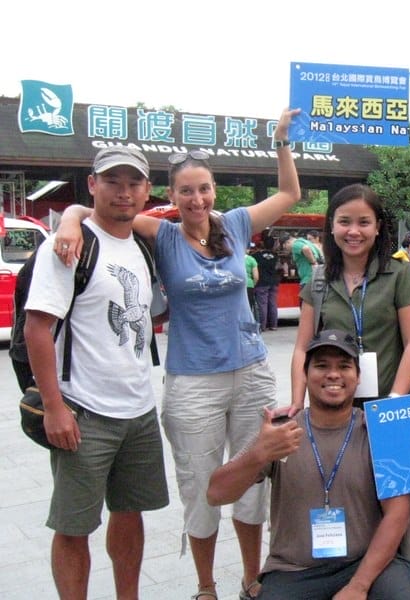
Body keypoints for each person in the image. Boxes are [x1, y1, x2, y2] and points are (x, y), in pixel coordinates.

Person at [55, 108, 302, 600]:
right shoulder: (163, 233)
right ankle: (205, 585)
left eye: (204, 188)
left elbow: (290, 194)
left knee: (254, 477)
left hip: (252, 370)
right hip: (193, 382)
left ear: (215, 191)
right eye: (186, 190)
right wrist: (67, 219)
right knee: (201, 485)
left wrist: (280, 142)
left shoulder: (234, 224)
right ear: (171, 195)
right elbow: (99, 211)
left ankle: (253, 579)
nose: (197, 198)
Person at [24, 146, 169, 599]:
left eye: (133, 183)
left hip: (139, 409)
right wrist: (54, 408)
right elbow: (37, 328)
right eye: (112, 182)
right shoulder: (68, 245)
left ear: (146, 190)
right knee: (74, 526)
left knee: (130, 515)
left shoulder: (142, 245)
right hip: (84, 411)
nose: (123, 193)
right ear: (93, 184)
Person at [207, 329, 410, 600]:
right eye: (321, 366)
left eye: (344, 366)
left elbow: (398, 515)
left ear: (358, 377)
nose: (333, 375)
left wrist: (359, 586)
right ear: (305, 374)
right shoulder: (281, 433)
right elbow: (215, 495)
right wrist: (258, 453)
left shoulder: (376, 432)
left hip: (368, 562)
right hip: (294, 569)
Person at [289, 183, 410, 569]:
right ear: (331, 227)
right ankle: (343, 577)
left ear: (379, 227)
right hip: (336, 413)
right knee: (340, 495)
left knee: (404, 504)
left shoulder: (400, 274)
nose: (354, 231)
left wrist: (396, 401)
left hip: (390, 409)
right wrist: (297, 403)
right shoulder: (318, 279)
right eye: (345, 221)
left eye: (364, 222)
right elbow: (302, 346)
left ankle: (409, 581)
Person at [252, 233, 281, 331]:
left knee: (262, 304)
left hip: (262, 282)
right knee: (273, 303)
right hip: (274, 281)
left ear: (262, 243)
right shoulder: (276, 255)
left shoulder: (256, 255)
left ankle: (262, 326)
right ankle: (273, 325)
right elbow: (279, 268)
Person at [245, 244, 259, 318]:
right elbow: (256, 277)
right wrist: (253, 284)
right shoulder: (251, 259)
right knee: (249, 306)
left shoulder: (235, 258)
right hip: (249, 285)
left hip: (238, 285)